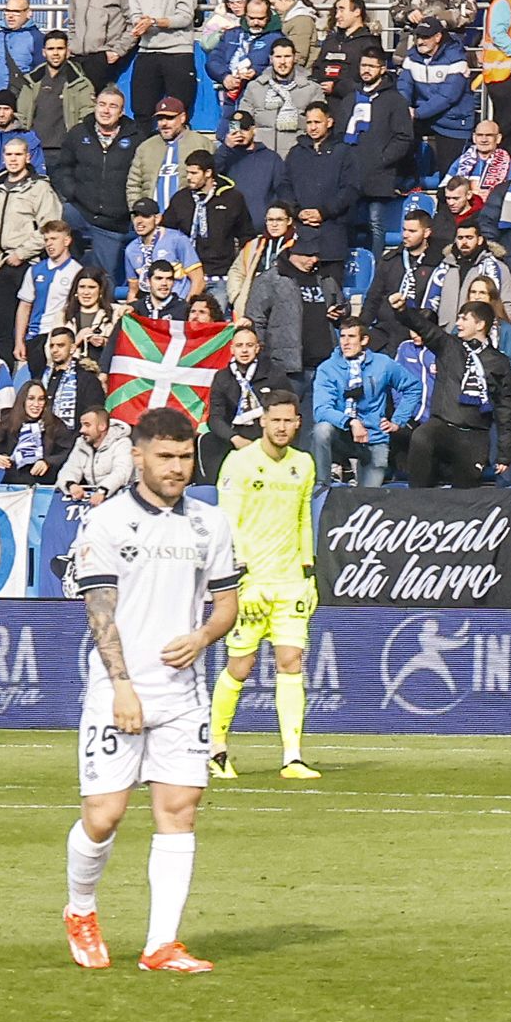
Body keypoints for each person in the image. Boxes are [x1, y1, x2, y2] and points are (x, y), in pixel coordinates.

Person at [64, 413, 241, 976]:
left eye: (185, 457)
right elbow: (99, 612)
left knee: (179, 810)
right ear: (138, 456)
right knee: (105, 814)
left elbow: (227, 603)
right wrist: (121, 686)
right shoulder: (107, 522)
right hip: (120, 690)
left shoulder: (210, 524)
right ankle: (81, 909)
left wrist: (204, 635)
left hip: (183, 694)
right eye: (166, 457)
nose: (177, 468)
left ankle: (161, 943)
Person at [205, 389, 326, 783]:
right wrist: (241, 582)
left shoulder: (304, 465)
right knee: (240, 666)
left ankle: (292, 757)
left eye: (289, 420)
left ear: (297, 423)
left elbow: (303, 518)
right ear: (263, 421)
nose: (282, 427)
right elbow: (227, 524)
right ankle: (216, 749)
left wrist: (308, 573)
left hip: (290, 580)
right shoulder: (240, 463)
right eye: (275, 420)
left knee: (291, 662)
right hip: (251, 581)